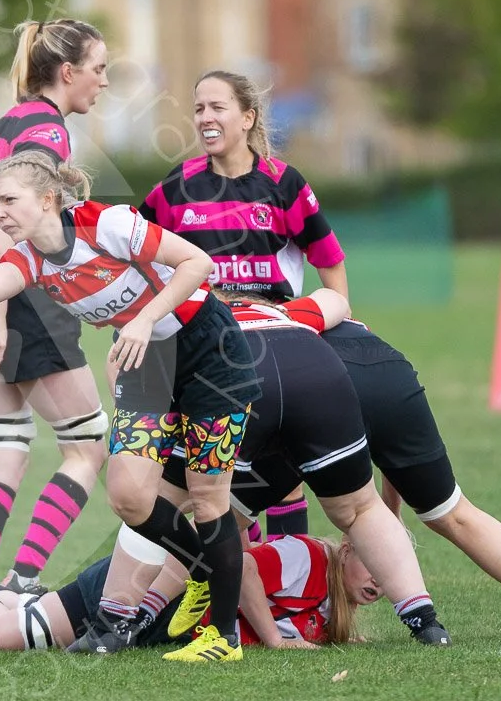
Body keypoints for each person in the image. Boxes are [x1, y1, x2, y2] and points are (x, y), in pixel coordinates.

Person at [0, 151, 259, 663]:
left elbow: (197, 264)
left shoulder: (106, 225)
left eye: (8, 201)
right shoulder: (25, 257)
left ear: (47, 199)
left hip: (206, 348)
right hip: (144, 361)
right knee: (129, 495)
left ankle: (223, 637)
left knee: (207, 499)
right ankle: (201, 564)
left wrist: (143, 318)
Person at [74, 290, 451, 653]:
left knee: (161, 500)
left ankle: (114, 624)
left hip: (237, 370)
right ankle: (425, 621)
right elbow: (335, 302)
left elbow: (130, 374)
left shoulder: (175, 319)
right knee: (359, 508)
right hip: (316, 368)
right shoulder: (284, 312)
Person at [246, 318, 501, 640]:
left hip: (312, 375)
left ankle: (427, 627)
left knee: (221, 510)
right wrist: (389, 517)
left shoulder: (226, 318)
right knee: (453, 513)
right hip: (384, 365)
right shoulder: (312, 299)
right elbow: (335, 291)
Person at [137, 71, 348, 542]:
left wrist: (339, 321)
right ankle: (226, 582)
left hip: (273, 339)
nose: (205, 118)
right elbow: (137, 249)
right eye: (198, 109)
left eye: (217, 107)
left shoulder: (283, 182)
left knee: (282, 473)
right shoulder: (177, 187)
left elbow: (329, 259)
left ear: (247, 117)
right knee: (209, 475)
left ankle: (287, 582)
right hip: (202, 346)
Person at [0, 19, 112, 594]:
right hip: (18, 299)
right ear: (67, 73)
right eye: (98, 69)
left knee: (5, 451)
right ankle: (22, 582)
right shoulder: (47, 130)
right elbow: (3, 211)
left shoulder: (11, 120)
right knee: (88, 447)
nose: (104, 82)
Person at [0, 530, 379, 652]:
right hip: (139, 585)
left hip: (150, 619)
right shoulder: (308, 558)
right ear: (349, 549)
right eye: (375, 562)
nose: (380, 579)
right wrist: (273, 638)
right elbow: (233, 565)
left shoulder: (330, 609)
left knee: (23, 616)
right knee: (5, 636)